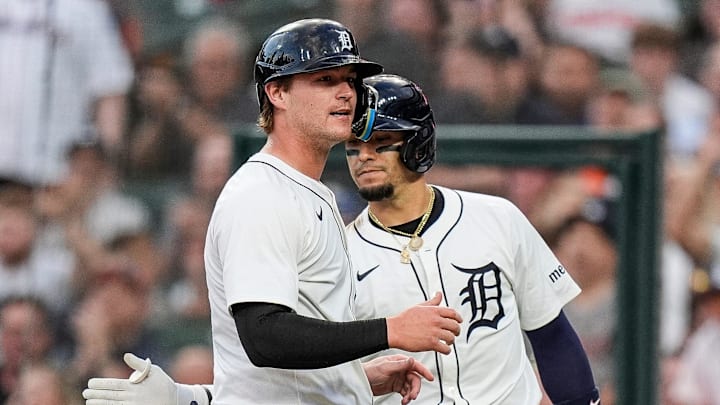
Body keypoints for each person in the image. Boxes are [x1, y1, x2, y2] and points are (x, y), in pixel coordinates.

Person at [82, 19, 462, 405]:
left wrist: (354, 378)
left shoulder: (312, 193)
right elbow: (264, 336)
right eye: (324, 80)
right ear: (277, 92)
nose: (346, 93)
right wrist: (390, 330)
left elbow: (271, 373)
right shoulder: (261, 193)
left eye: (350, 80)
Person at [343, 74, 600, 404]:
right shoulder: (340, 256)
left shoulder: (497, 218)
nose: (363, 155)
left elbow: (551, 335)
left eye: (379, 141)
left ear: (417, 142)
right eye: (354, 144)